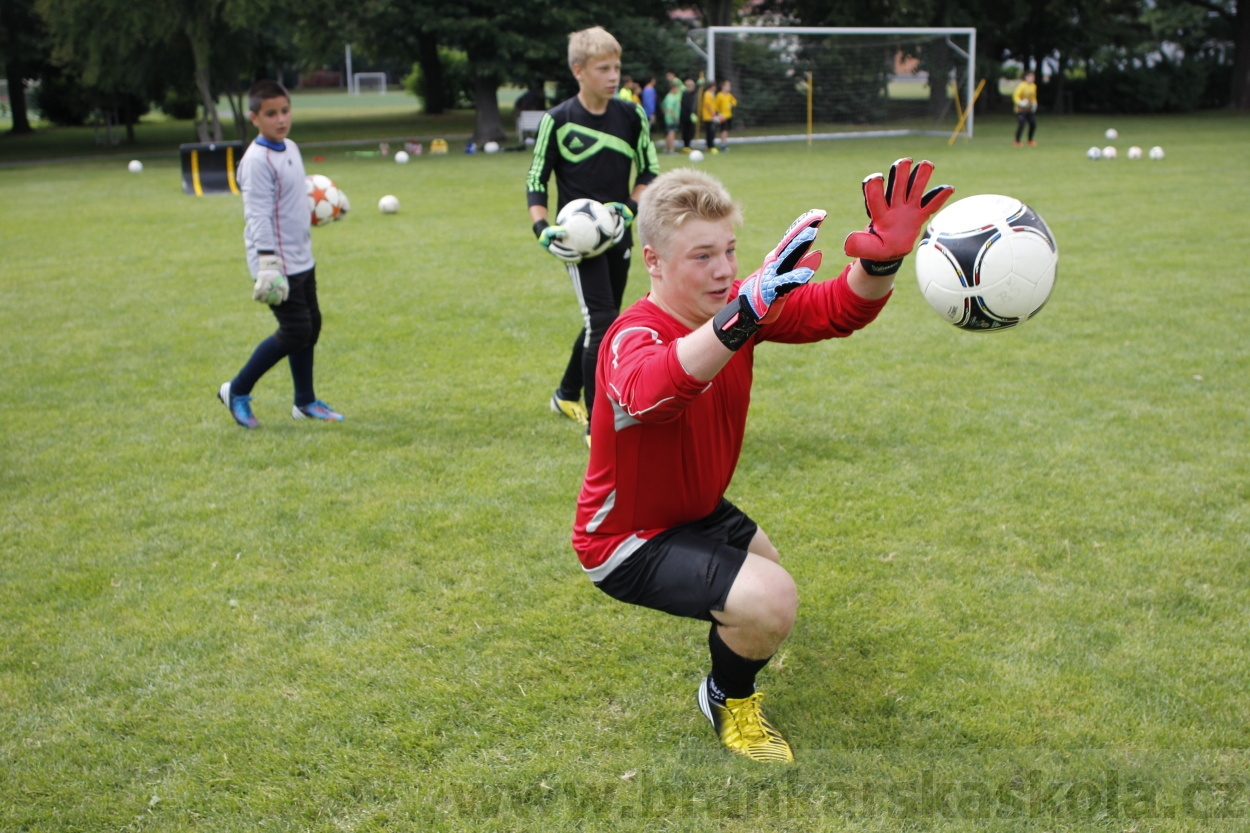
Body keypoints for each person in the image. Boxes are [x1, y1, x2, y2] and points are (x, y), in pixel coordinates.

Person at [572, 160, 953, 762]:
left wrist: (880, 263)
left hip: (697, 509)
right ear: (653, 261)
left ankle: (735, 634)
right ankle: (726, 697)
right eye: (702, 256)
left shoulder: (739, 308)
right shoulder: (632, 335)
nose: (725, 270)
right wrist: (740, 316)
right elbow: (653, 392)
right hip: (624, 539)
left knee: (767, 581)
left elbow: (836, 308)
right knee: (771, 598)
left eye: (729, 250)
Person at [525, 27, 660, 445]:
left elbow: (650, 169)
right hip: (576, 242)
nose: (613, 76)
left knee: (603, 320)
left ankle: (565, 394)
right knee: (602, 322)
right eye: (603, 68)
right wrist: (542, 227)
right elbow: (536, 179)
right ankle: (596, 423)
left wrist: (630, 206)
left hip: (618, 234)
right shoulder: (557, 120)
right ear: (578, 70)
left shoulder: (631, 115)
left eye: (617, 67)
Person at [217, 79, 344, 429]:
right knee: (296, 330)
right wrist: (268, 264)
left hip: (301, 255)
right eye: (271, 114)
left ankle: (305, 402)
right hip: (275, 262)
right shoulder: (256, 161)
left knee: (311, 326)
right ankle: (236, 390)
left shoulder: (290, 147)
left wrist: (330, 204)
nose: (281, 119)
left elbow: (297, 192)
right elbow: (258, 215)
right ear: (254, 118)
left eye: (285, 111)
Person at [1013, 71, 1038, 146]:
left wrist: (1034, 103)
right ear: (1026, 77)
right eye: (1030, 77)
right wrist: (1020, 102)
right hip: (1021, 109)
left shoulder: (1033, 86)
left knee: (1033, 124)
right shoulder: (1022, 86)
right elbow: (1015, 96)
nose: (1032, 78)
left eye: (1033, 77)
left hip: (1029, 109)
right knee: (1021, 124)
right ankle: (1017, 141)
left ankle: (1030, 140)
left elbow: (1033, 97)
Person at [714, 78, 738, 152]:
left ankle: (723, 143)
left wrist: (732, 104)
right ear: (723, 86)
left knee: (726, 130)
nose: (729, 87)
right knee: (724, 130)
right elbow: (715, 106)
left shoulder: (729, 95)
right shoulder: (719, 95)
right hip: (722, 116)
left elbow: (734, 101)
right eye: (728, 86)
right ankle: (723, 145)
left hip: (729, 115)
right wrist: (718, 114)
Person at [661, 79, 682, 153]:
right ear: (673, 88)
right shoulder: (671, 97)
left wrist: (665, 114)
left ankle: (666, 149)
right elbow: (670, 109)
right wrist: (674, 117)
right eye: (677, 88)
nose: (677, 90)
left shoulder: (668, 96)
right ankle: (671, 149)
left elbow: (663, 106)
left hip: (668, 118)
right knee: (671, 133)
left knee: (668, 133)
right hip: (671, 119)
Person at [679, 78, 698, 152]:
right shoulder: (686, 93)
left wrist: (698, 85)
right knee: (687, 131)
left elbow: (694, 92)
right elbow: (687, 105)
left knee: (690, 131)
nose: (693, 87)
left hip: (689, 115)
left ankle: (688, 145)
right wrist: (691, 113)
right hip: (686, 116)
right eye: (692, 85)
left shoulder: (690, 93)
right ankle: (686, 146)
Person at [700, 81, 718, 152]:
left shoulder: (710, 94)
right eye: (714, 86)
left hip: (710, 115)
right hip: (708, 116)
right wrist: (713, 114)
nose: (715, 88)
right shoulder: (707, 94)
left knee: (710, 131)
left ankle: (709, 146)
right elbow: (708, 105)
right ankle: (710, 146)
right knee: (710, 131)